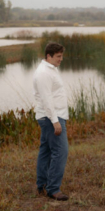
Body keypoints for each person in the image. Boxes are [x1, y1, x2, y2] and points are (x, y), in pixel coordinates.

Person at [33, 42, 70, 201]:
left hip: (53, 116)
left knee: (46, 151)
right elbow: (47, 100)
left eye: (61, 56)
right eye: (58, 56)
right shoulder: (43, 73)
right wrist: (55, 121)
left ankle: (42, 185)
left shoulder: (50, 70)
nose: (61, 59)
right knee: (60, 151)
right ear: (49, 56)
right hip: (51, 118)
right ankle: (53, 189)